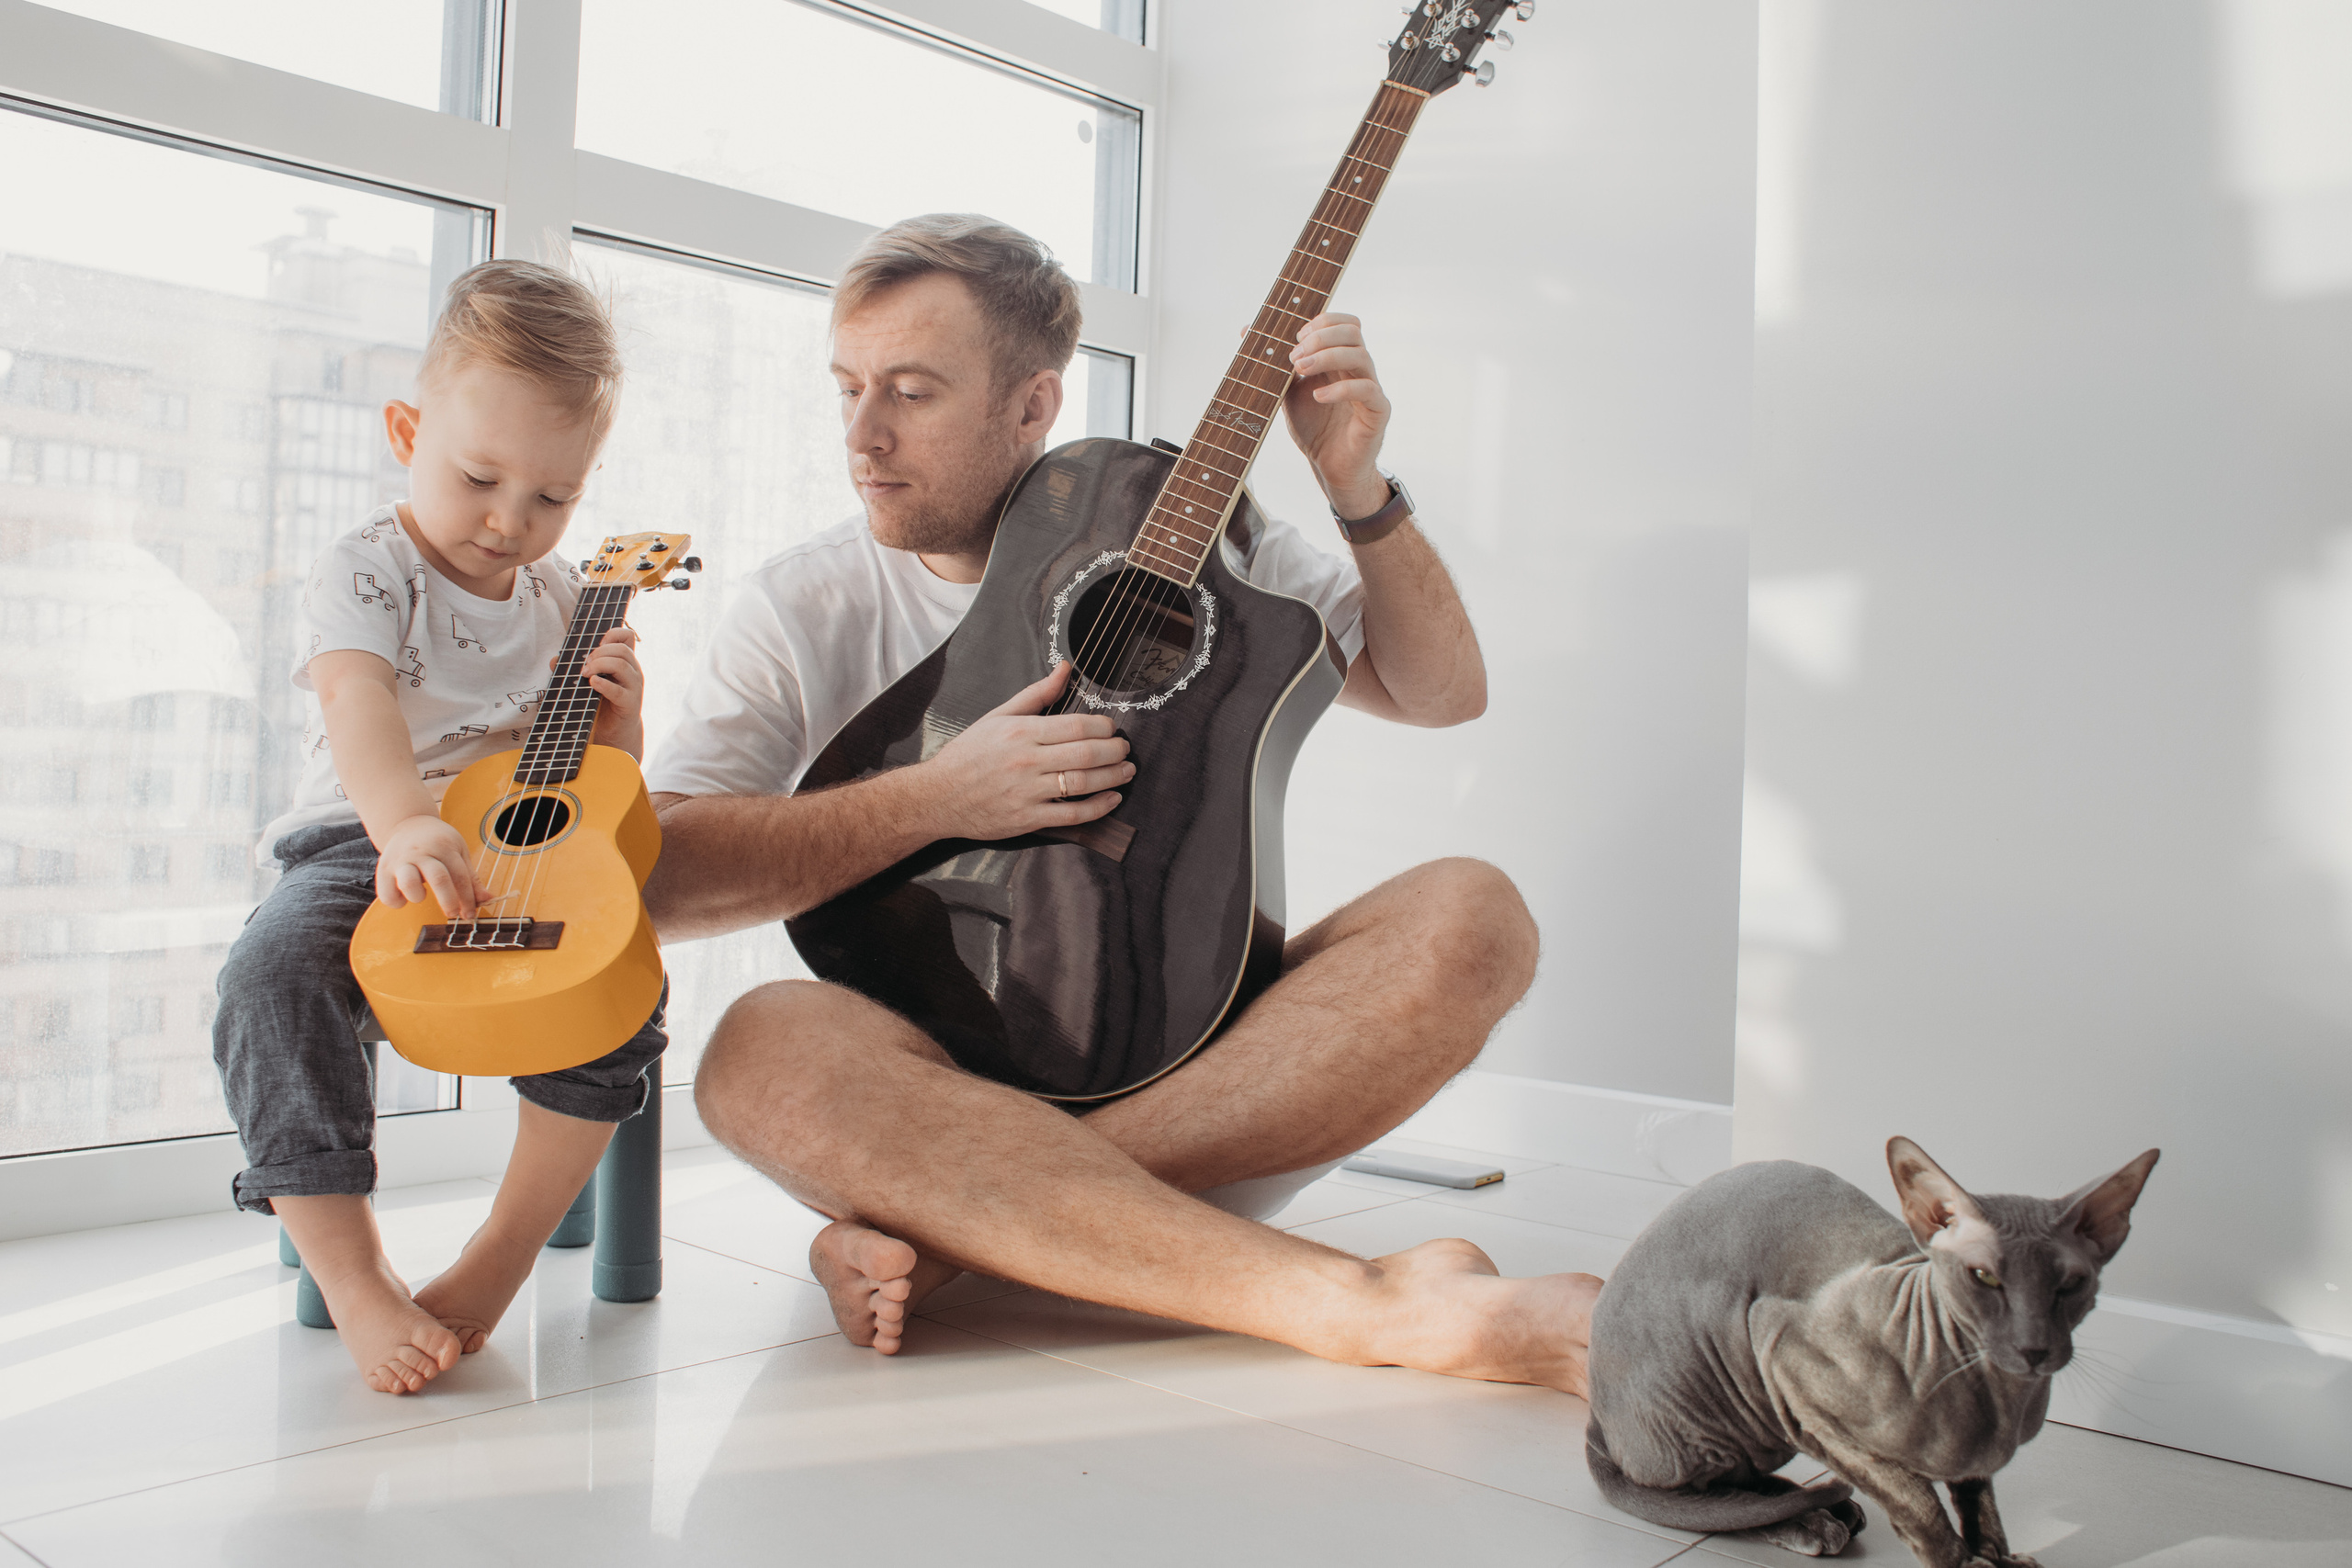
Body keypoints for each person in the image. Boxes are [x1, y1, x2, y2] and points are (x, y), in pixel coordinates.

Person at [645, 215, 1600, 1392]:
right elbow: (661, 877)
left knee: (1476, 912)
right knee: (756, 1051)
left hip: (1209, 1074)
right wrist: (939, 796)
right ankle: (1357, 1306)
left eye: (911, 391)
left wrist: (1358, 491)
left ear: (1034, 406)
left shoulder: (1195, 534)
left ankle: (969, 1232)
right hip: (925, 1074)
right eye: (845, 388)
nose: (862, 435)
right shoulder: (803, 602)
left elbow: (1439, 692)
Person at [211, 260, 663, 1395]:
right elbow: (355, 700)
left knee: (624, 990)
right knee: (269, 979)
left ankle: (501, 1253)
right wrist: (408, 824)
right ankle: (353, 1272)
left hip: (527, 859)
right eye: (478, 478)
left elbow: (598, 795)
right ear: (408, 429)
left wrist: (624, 718)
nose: (511, 523)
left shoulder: (564, 597)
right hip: (368, 845)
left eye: (553, 499)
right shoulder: (370, 569)